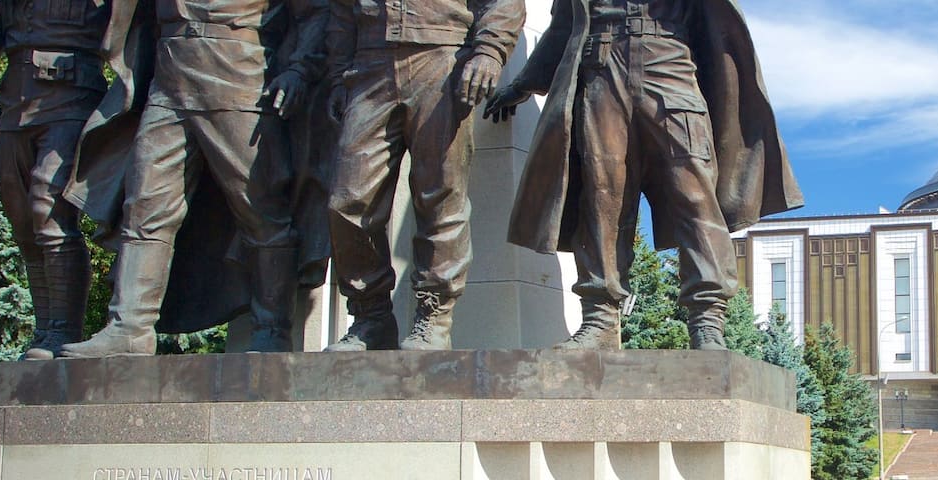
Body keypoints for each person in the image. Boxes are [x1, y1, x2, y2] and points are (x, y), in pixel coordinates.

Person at [484, 0, 801, 349]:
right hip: (600, 68)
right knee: (601, 196)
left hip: (670, 65)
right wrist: (523, 84)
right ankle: (599, 318)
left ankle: (707, 320)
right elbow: (563, 28)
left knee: (695, 197)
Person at [62, 0, 325, 357]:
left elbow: (314, 11)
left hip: (239, 71)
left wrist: (299, 69)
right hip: (169, 74)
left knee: (261, 207)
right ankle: (130, 327)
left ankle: (272, 329)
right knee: (146, 204)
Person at [317, 0, 525, 351]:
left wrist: (490, 50)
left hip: (442, 58)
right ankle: (371, 315)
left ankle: (434, 316)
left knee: (440, 194)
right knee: (348, 201)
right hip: (369, 65)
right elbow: (340, 13)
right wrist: (338, 76)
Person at [0, 0, 111, 360]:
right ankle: (44, 331)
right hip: (15, 105)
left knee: (48, 210)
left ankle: (63, 331)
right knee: (23, 220)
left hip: (72, 98)